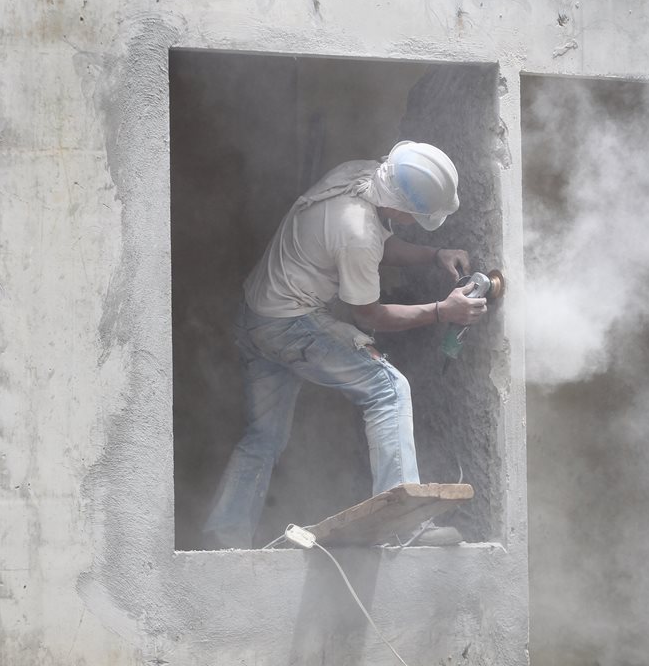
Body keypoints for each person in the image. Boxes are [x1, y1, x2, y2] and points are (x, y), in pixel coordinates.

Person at [203, 141, 487, 549]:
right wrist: (445, 310)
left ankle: (224, 534)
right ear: (404, 209)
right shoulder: (357, 233)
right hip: (290, 325)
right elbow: (368, 315)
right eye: (419, 216)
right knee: (389, 390)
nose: (413, 221)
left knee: (264, 438)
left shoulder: (362, 175)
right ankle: (405, 525)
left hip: (257, 315)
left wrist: (433, 255)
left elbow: (376, 244)